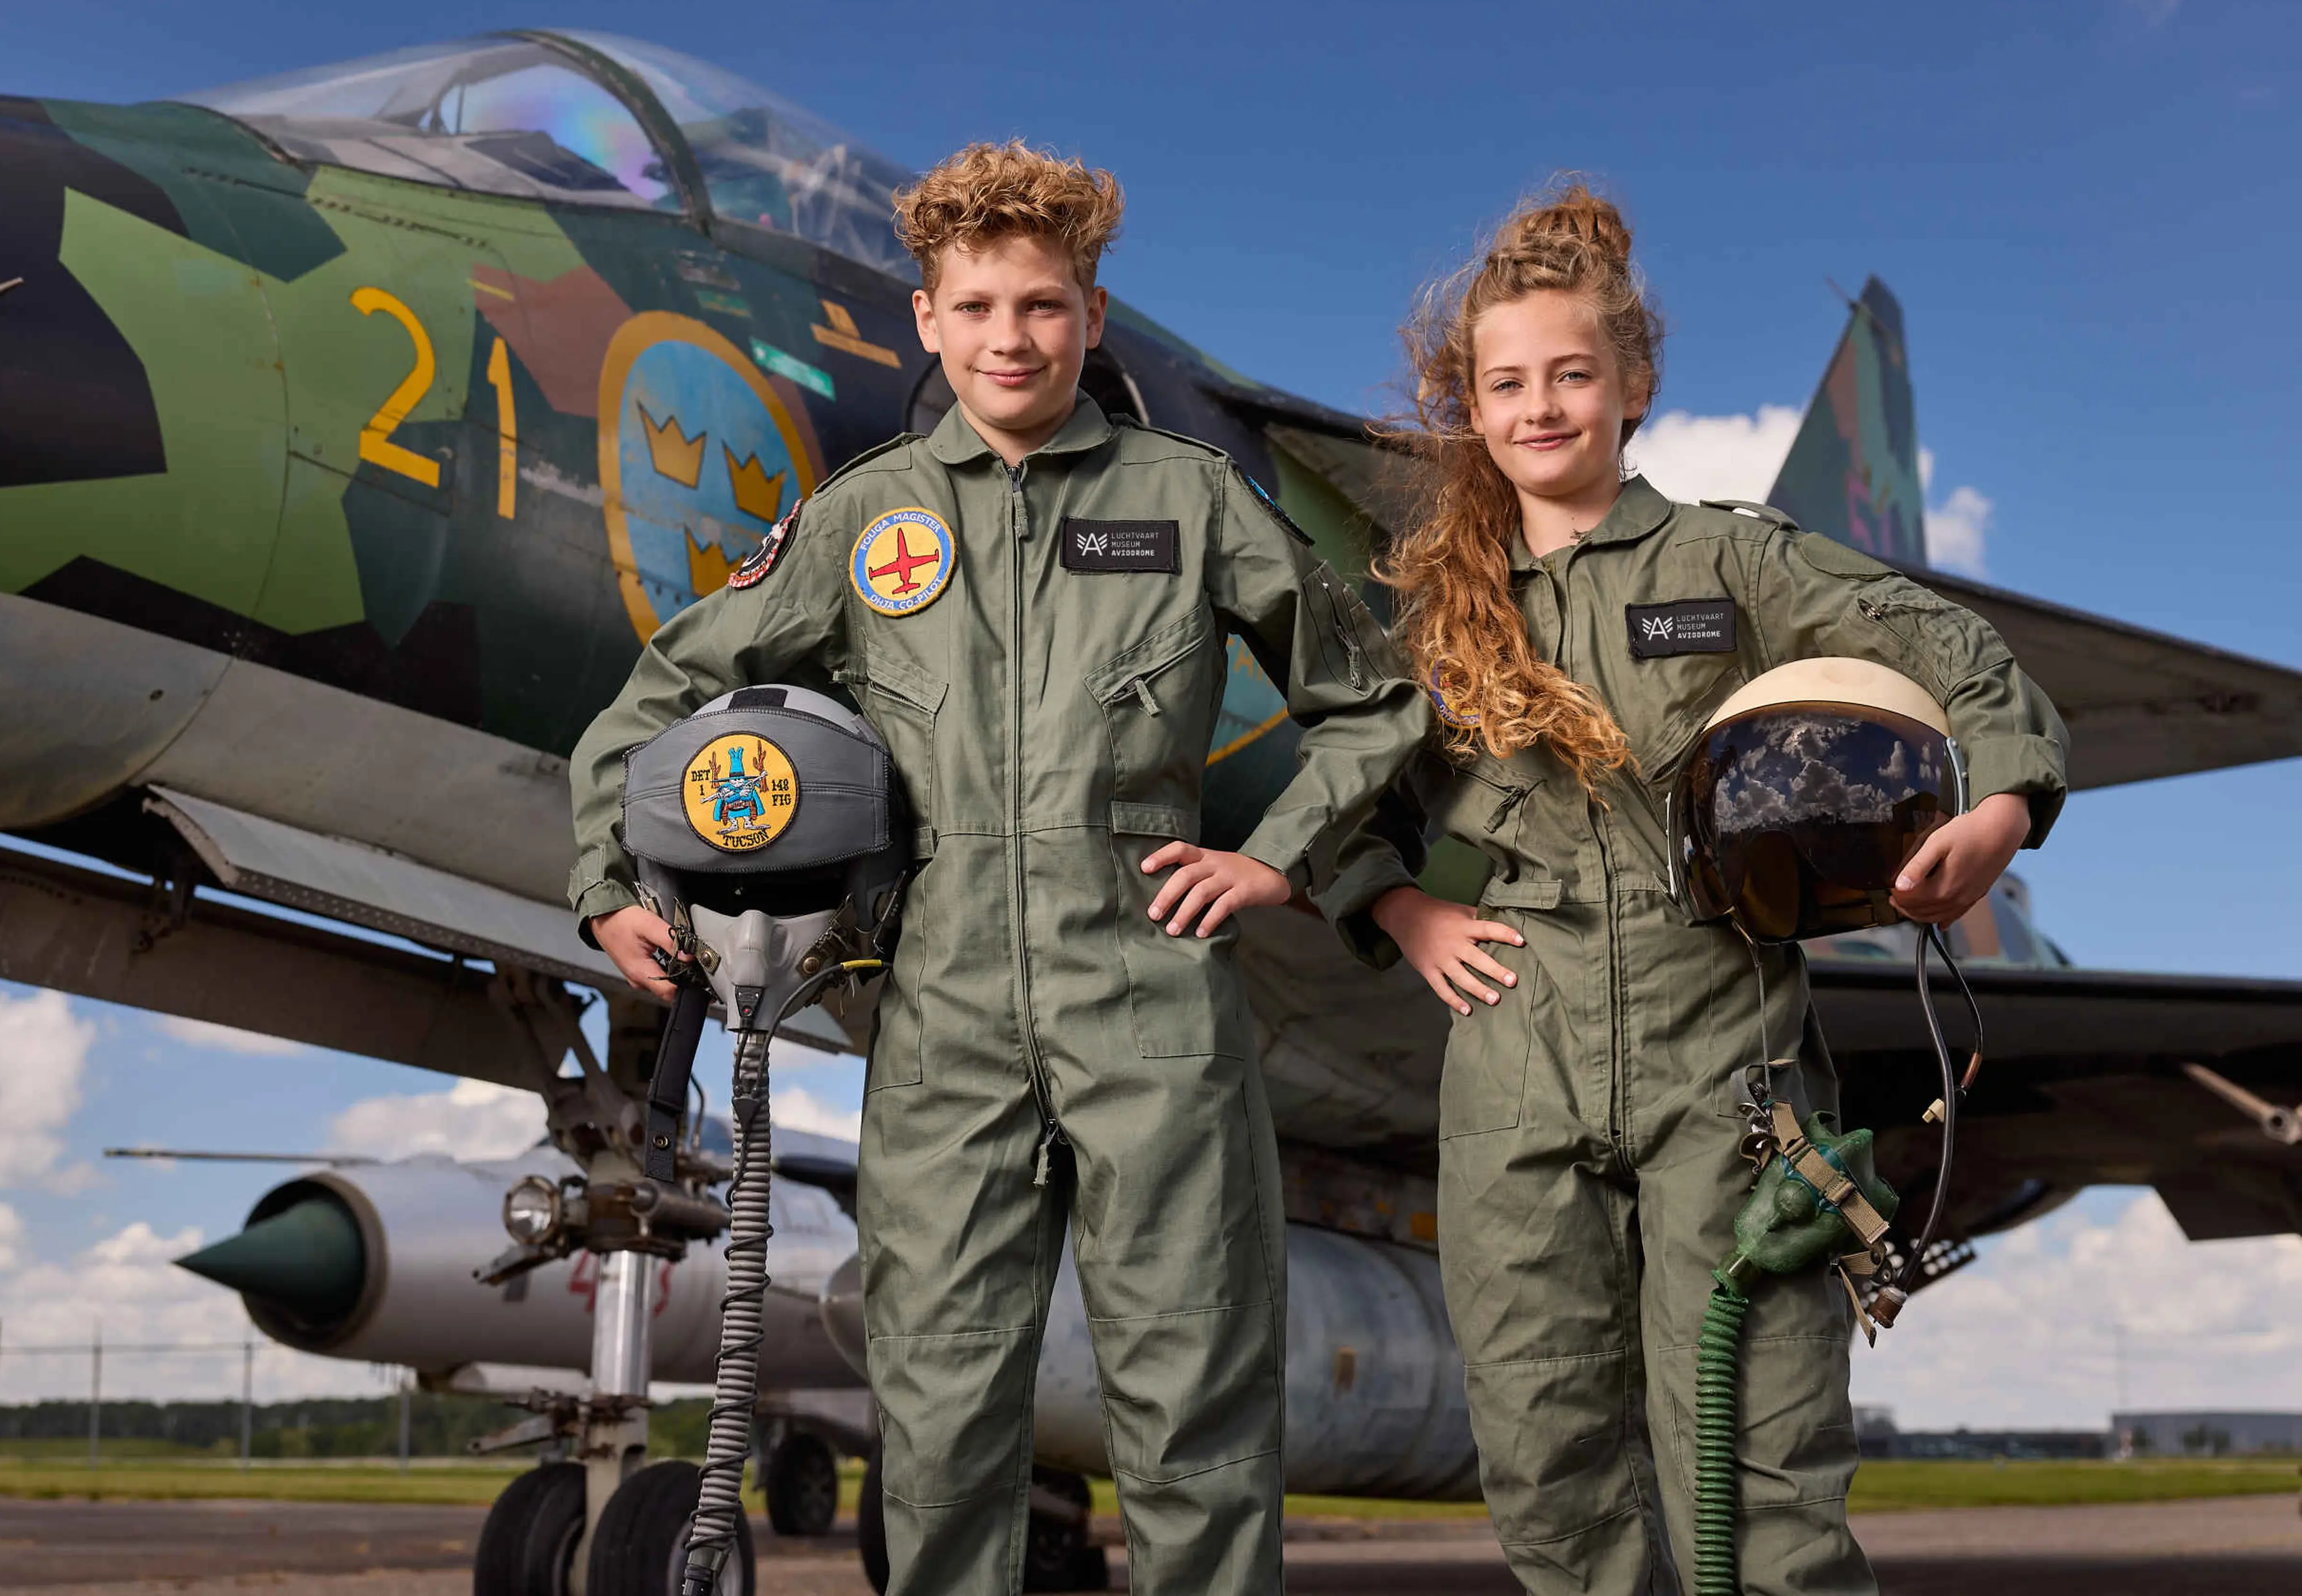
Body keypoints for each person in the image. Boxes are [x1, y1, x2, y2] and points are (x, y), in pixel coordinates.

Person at [567, 140, 1429, 1596]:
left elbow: (1379, 704)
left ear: (1090, 314)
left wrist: (1277, 860)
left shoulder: (1194, 498)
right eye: (975, 308)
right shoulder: (866, 515)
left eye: (1040, 305)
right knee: (943, 1407)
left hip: (1149, 986)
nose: (1008, 338)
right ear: (928, 319)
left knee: (1196, 1400)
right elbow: (669, 685)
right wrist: (605, 871)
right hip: (939, 998)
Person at [1320, 183, 2067, 1596]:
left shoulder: (1732, 561)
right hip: (1514, 1054)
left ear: (1634, 385)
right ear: (1468, 405)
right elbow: (1335, 787)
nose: (1541, 408)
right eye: (1507, 384)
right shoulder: (1430, 612)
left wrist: (2006, 805)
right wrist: (1396, 906)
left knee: (1762, 1470)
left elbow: (1955, 647)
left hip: (1723, 1046)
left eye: (1572, 376)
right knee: (1547, 1469)